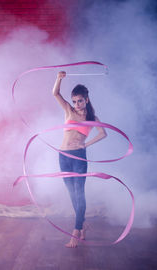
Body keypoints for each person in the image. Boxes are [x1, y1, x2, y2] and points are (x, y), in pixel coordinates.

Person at [53, 71, 107, 248]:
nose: (76, 104)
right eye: (74, 101)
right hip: (63, 156)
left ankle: (75, 232)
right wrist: (59, 78)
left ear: (87, 100)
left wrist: (87, 144)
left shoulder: (91, 118)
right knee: (71, 194)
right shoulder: (68, 110)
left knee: (79, 193)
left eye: (80, 101)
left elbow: (103, 133)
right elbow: (55, 93)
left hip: (78, 158)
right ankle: (83, 225)